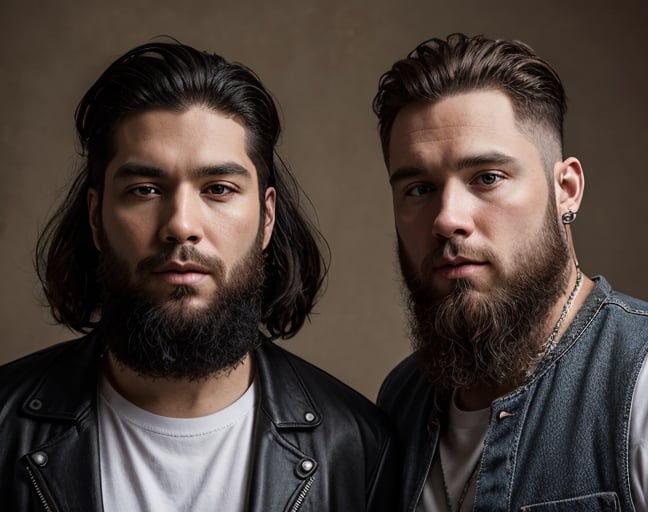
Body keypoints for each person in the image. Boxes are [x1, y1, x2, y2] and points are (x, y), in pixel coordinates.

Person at [372, 33, 648, 511]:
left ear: (566, 189)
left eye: (487, 178)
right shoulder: (400, 402)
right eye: (419, 188)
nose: (447, 218)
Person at [0, 41, 396, 511]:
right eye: (145, 189)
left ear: (267, 218)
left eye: (219, 189)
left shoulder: (358, 448)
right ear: (96, 218)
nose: (181, 225)